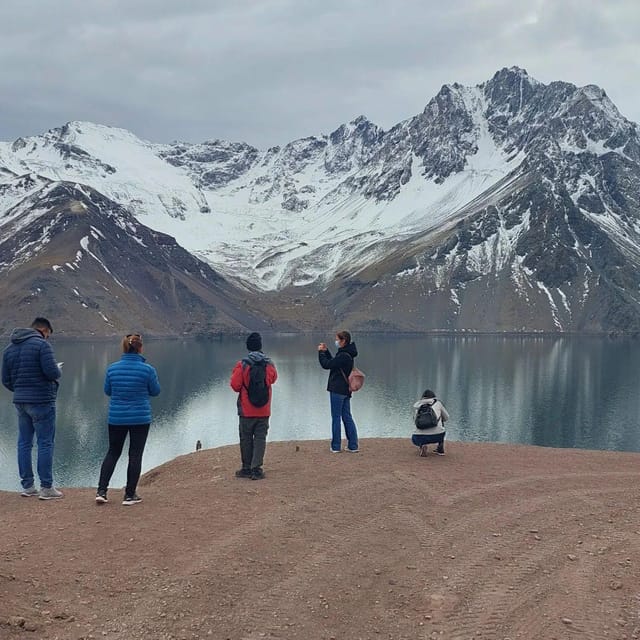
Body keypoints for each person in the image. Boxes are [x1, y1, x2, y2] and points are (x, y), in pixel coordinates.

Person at [1, 317, 63, 499]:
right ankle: (46, 488)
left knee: (24, 443)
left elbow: (5, 379)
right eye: (48, 335)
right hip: (42, 401)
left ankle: (28, 486)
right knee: (45, 442)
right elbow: (52, 372)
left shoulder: (9, 349)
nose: (47, 339)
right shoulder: (42, 346)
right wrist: (58, 370)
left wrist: (20, 390)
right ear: (44, 330)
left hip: (20, 402)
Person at [96, 333, 160, 505]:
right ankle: (129, 495)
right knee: (135, 455)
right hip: (140, 418)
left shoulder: (112, 369)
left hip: (116, 418)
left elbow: (108, 391)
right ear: (140, 348)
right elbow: (155, 391)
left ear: (124, 347)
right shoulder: (148, 370)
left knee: (113, 452)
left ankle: (102, 491)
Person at [230, 332, 277, 480]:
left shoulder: (242, 364)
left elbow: (235, 385)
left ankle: (246, 468)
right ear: (260, 346)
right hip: (264, 409)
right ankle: (256, 469)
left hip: (246, 409)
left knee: (246, 438)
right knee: (260, 438)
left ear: (248, 347)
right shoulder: (269, 364)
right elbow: (273, 379)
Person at [317, 330, 359, 453]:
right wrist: (326, 351)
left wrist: (320, 352)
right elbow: (334, 363)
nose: (336, 342)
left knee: (336, 417)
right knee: (347, 416)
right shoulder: (347, 354)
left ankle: (336, 446)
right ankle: (353, 445)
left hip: (337, 390)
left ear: (343, 341)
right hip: (345, 390)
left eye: (337, 339)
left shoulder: (343, 355)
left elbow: (326, 364)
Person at [412, 389, 449, 456]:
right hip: (437, 436)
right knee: (441, 423)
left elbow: (415, 421)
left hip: (419, 437)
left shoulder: (418, 406)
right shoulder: (438, 403)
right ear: (433, 397)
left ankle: (422, 445)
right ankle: (440, 449)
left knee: (416, 435)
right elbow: (446, 417)